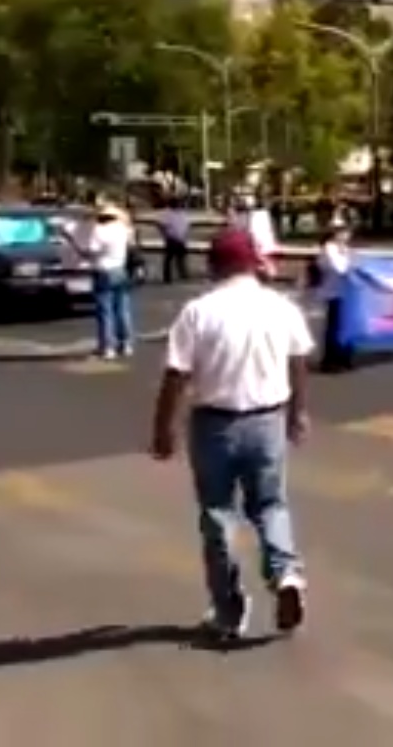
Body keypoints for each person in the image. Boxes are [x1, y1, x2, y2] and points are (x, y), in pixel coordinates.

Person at [147, 230, 315, 642]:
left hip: (215, 423)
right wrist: (298, 413)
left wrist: (163, 428)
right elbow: (298, 363)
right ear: (253, 262)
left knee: (218, 513)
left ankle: (228, 611)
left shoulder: (199, 312)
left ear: (215, 264)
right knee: (271, 505)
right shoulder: (280, 307)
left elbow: (177, 375)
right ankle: (286, 575)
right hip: (267, 420)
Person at [70, 203, 136, 360]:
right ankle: (126, 344)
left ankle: (107, 347)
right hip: (120, 270)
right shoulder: (122, 229)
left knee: (105, 311)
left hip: (103, 271)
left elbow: (91, 251)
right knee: (122, 309)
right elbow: (131, 241)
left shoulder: (99, 231)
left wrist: (77, 246)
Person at [313, 223, 353, 373]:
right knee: (334, 327)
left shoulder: (344, 249)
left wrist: (347, 255)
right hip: (334, 293)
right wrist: (346, 256)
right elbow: (340, 268)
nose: (347, 236)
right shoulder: (329, 249)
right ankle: (331, 360)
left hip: (345, 293)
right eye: (344, 233)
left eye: (348, 233)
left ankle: (344, 357)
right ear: (335, 234)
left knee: (346, 324)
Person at [158, 198, 192, 283]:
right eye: (177, 203)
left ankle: (183, 274)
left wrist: (185, 234)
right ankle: (167, 277)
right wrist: (165, 234)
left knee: (181, 257)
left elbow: (187, 224)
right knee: (170, 258)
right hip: (172, 238)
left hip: (180, 238)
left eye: (179, 203)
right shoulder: (167, 213)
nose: (179, 205)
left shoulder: (182, 213)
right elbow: (162, 225)